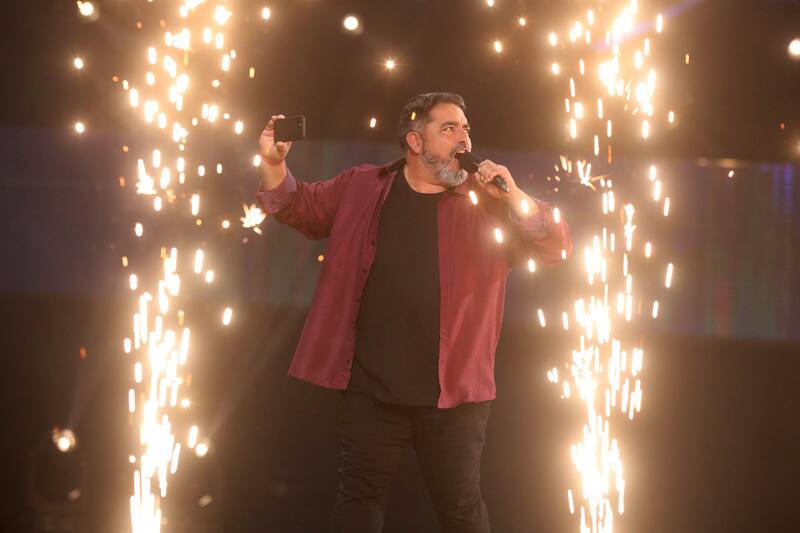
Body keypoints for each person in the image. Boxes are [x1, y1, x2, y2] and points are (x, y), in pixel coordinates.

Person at [256, 92, 572, 533]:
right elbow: (299, 207)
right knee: (358, 502)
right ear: (415, 141)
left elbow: (554, 246)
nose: (463, 138)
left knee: (461, 508)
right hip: (371, 388)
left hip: (453, 395)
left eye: (466, 128)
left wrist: (513, 194)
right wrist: (273, 163)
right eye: (449, 128)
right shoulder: (363, 186)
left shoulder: (489, 204)